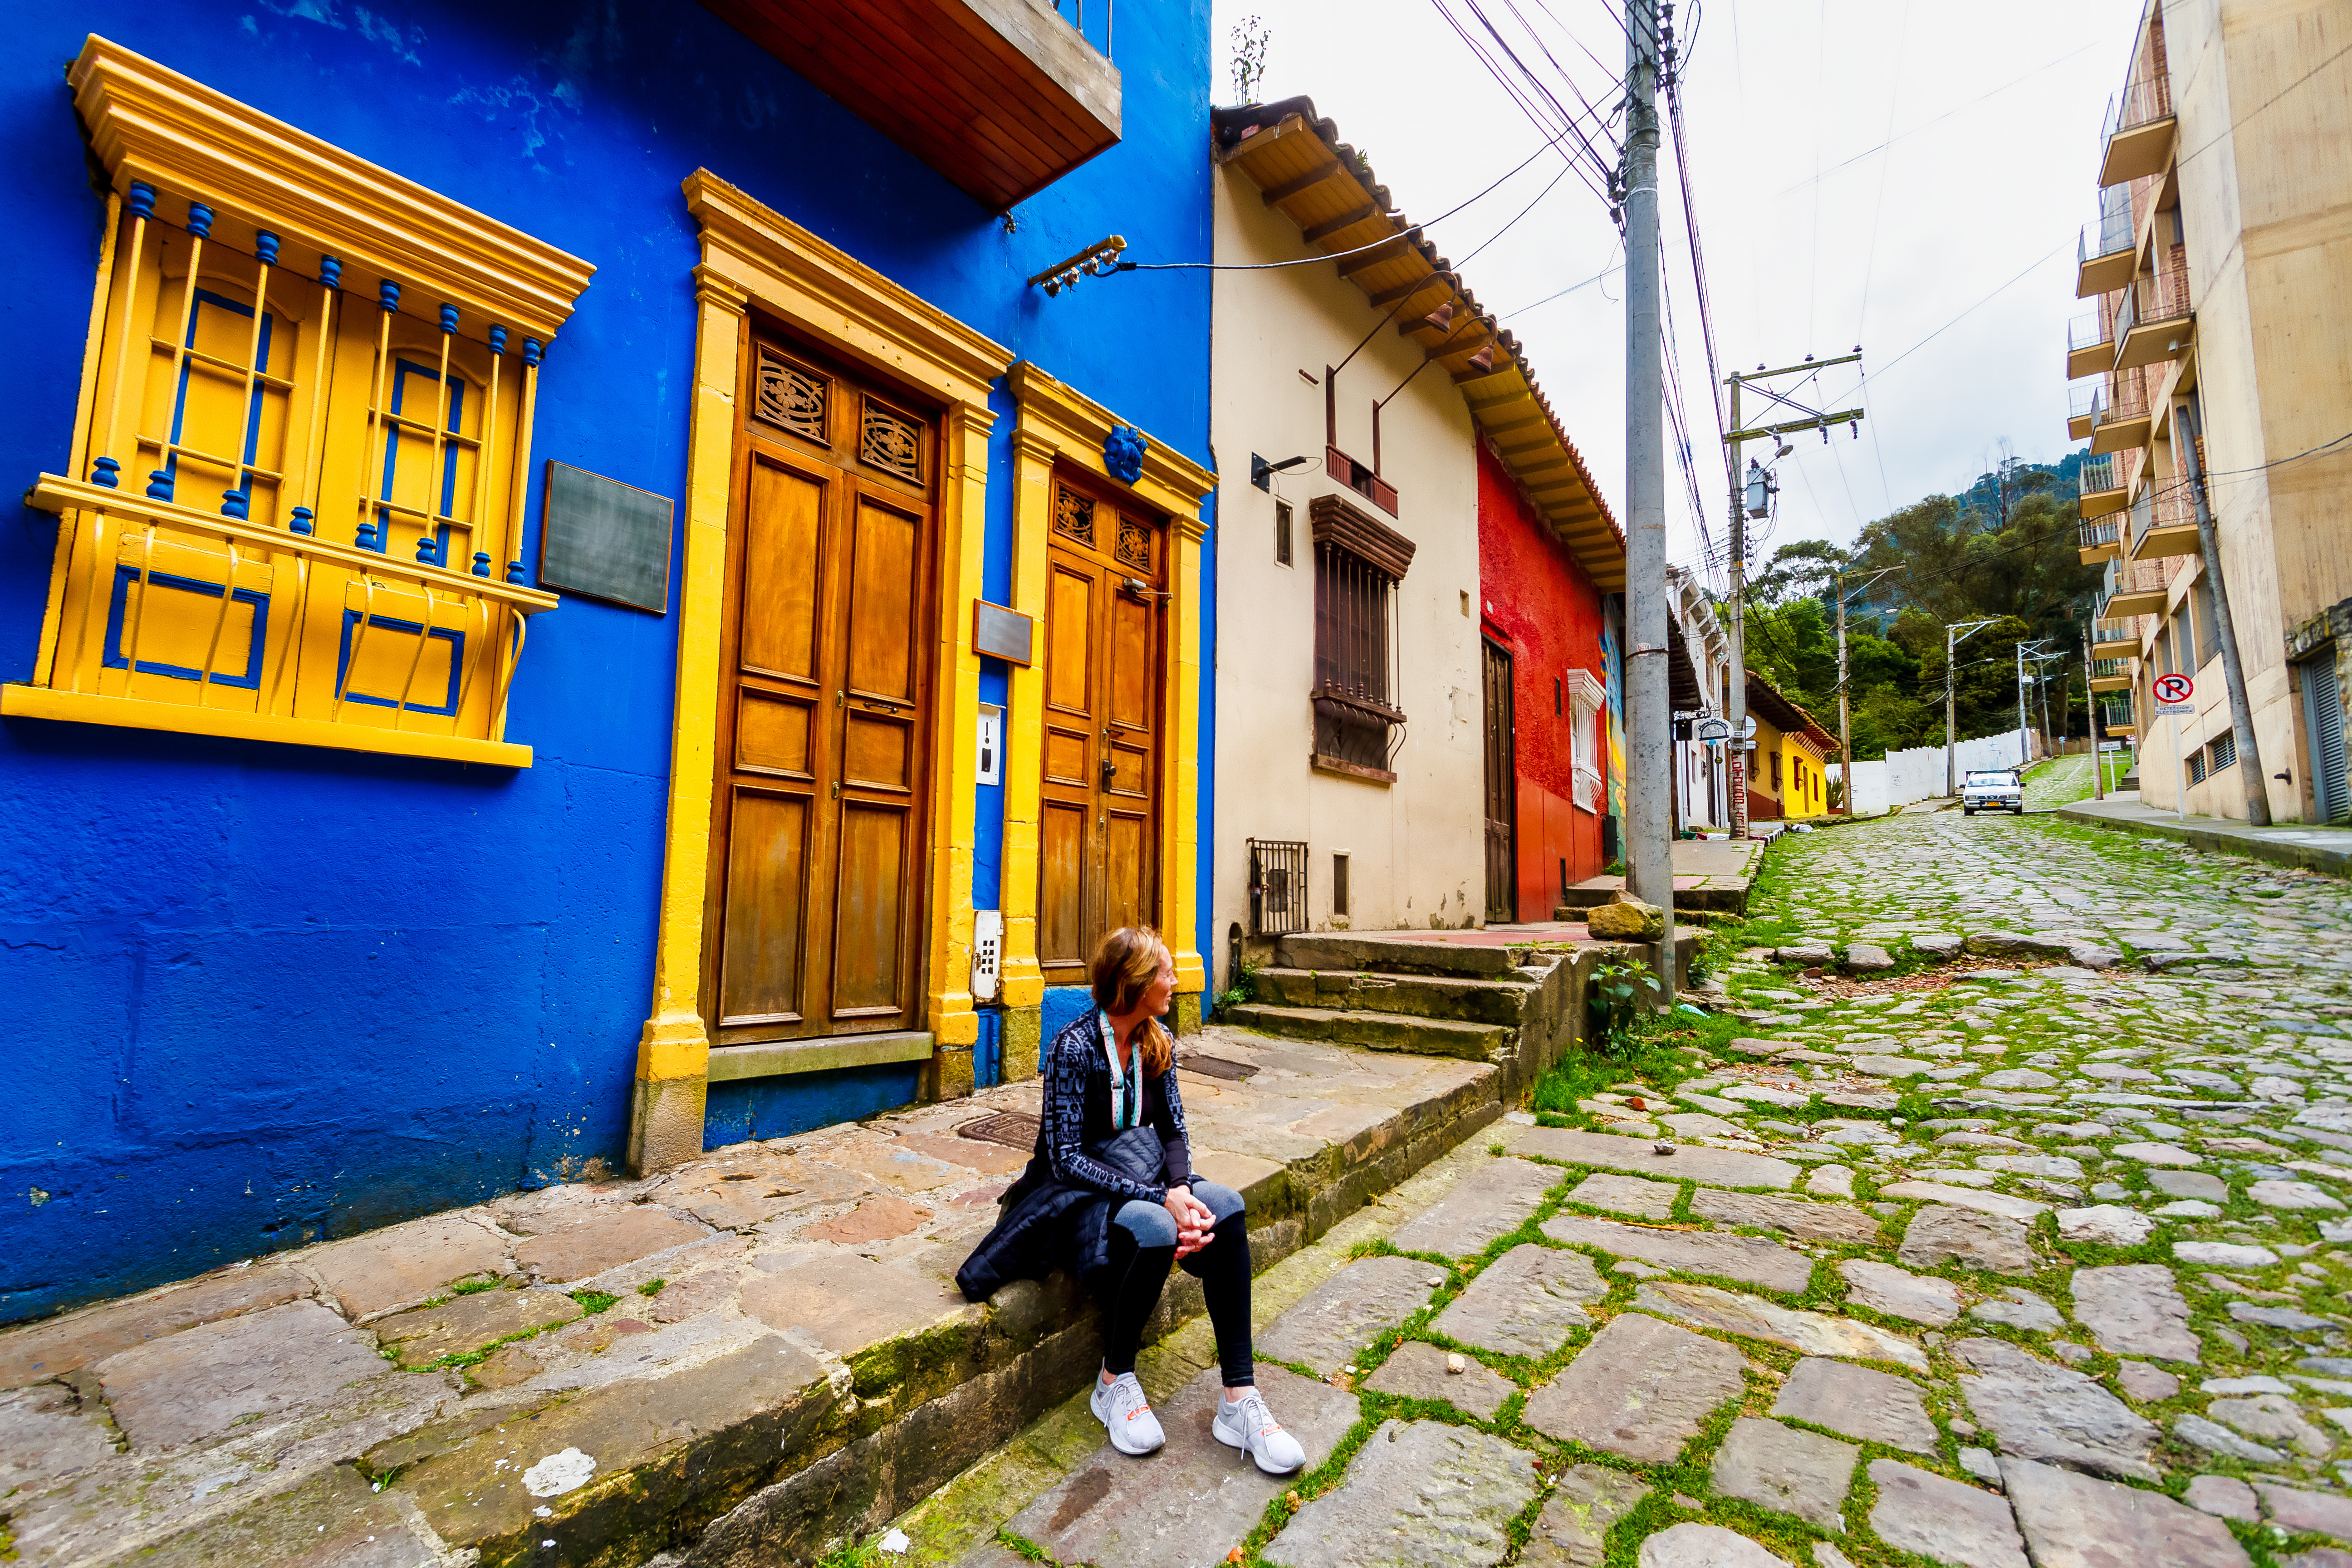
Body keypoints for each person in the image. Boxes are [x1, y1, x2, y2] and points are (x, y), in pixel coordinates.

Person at [956, 927, 1306, 1475]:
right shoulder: (1073, 1048)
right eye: (1165, 972)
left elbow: (1172, 1132)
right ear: (1135, 981)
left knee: (1228, 1208)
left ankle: (1239, 1401)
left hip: (1141, 1176)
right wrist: (1159, 1200)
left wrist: (1183, 1191)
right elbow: (1065, 1156)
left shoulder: (1155, 1037)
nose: (1175, 981)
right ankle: (1114, 1381)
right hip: (1076, 1192)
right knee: (1156, 1226)